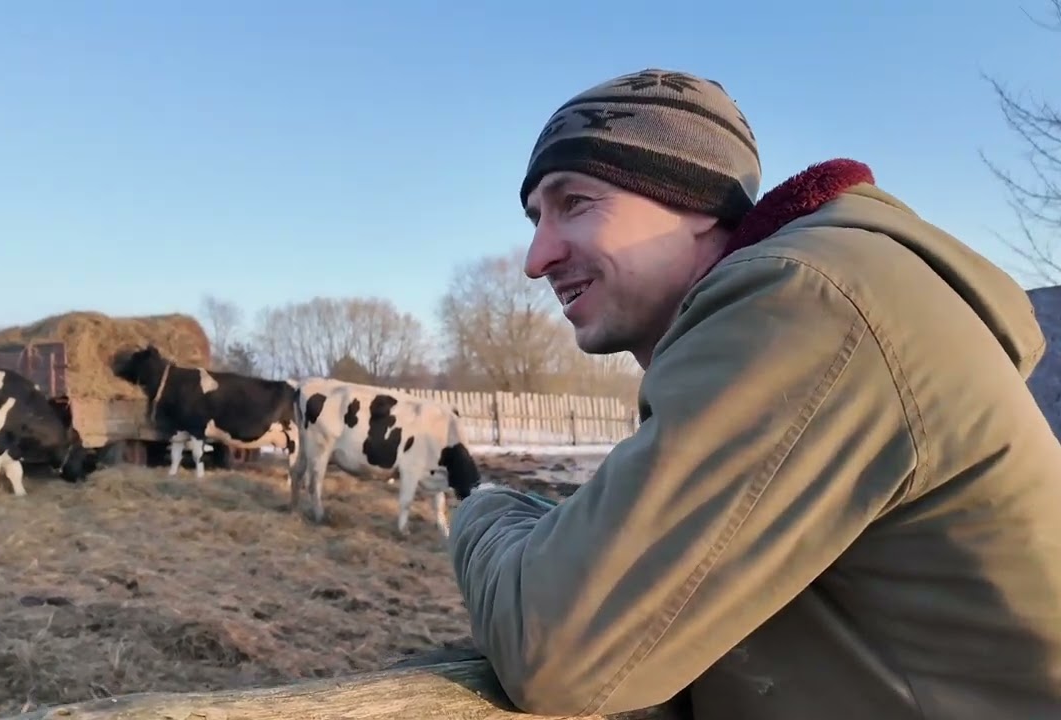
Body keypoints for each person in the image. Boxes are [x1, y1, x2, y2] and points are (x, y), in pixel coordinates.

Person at [446, 68, 1061, 719]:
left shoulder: (808, 305)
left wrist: (483, 510)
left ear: (693, 197)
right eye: (535, 217)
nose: (535, 258)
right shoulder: (810, 307)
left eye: (576, 203)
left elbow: (559, 650)